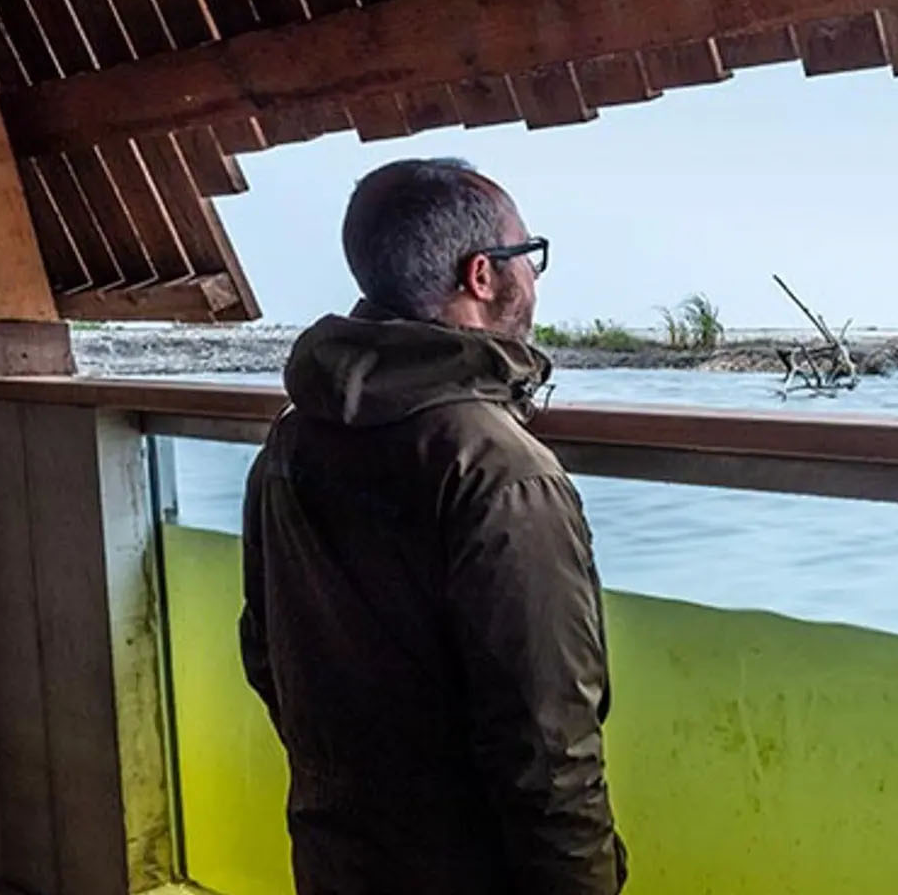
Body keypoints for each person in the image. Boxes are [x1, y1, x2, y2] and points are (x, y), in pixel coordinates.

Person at [239, 158, 627, 894]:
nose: (534, 281)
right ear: (482, 275)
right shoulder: (500, 469)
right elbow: (548, 752)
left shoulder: (293, 437)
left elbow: (265, 653)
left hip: (335, 857)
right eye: (527, 257)